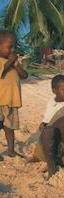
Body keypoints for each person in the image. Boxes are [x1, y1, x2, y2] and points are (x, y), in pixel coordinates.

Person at [0, 30, 28, 159]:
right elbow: (3, 70)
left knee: (9, 128)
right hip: (0, 102)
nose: (13, 50)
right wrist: (10, 62)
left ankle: (11, 150)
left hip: (11, 102)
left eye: (14, 46)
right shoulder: (2, 62)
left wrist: (16, 65)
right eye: (9, 46)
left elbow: (24, 75)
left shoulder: (14, 63)